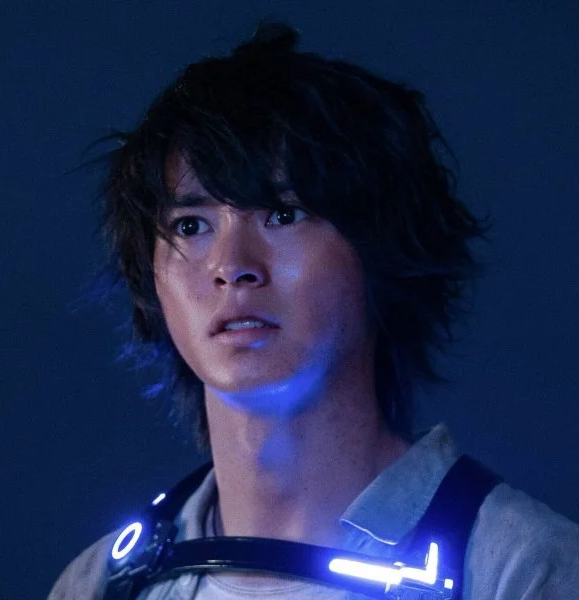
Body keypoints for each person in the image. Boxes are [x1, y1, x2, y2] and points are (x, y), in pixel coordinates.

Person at [48, 21, 579, 600]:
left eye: (283, 214)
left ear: (381, 248)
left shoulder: (522, 570)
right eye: (192, 225)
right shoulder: (101, 584)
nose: (232, 265)